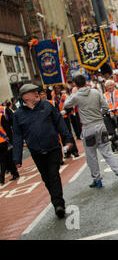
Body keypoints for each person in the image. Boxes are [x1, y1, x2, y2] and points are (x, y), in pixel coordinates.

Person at [12, 84, 74, 219]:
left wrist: (68, 141)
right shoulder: (18, 115)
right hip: (36, 152)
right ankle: (57, 200)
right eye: (33, 92)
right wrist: (17, 158)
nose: (37, 93)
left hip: (53, 148)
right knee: (46, 178)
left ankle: (58, 204)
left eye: (37, 91)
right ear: (25, 96)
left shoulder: (46, 106)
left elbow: (59, 123)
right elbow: (17, 136)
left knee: (53, 175)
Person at [63, 75, 118, 188]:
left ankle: (97, 180)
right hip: (100, 125)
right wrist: (99, 115)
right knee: (107, 151)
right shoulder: (96, 92)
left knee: (91, 156)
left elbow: (66, 104)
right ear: (85, 82)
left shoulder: (76, 96)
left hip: (88, 128)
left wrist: (73, 93)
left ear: (76, 85)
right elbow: (106, 107)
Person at [50, 85, 79, 159]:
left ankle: (74, 151)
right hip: (57, 119)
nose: (57, 90)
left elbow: (70, 106)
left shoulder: (64, 96)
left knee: (69, 134)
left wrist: (65, 111)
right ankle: (67, 152)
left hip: (65, 118)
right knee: (62, 136)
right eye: (55, 88)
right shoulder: (51, 97)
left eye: (58, 88)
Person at [0, 108, 19, 185]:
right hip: (3, 141)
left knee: (5, 159)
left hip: (4, 141)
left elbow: (7, 128)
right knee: (6, 159)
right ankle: (14, 173)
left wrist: (10, 141)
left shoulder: (1, 116)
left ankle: (4, 177)